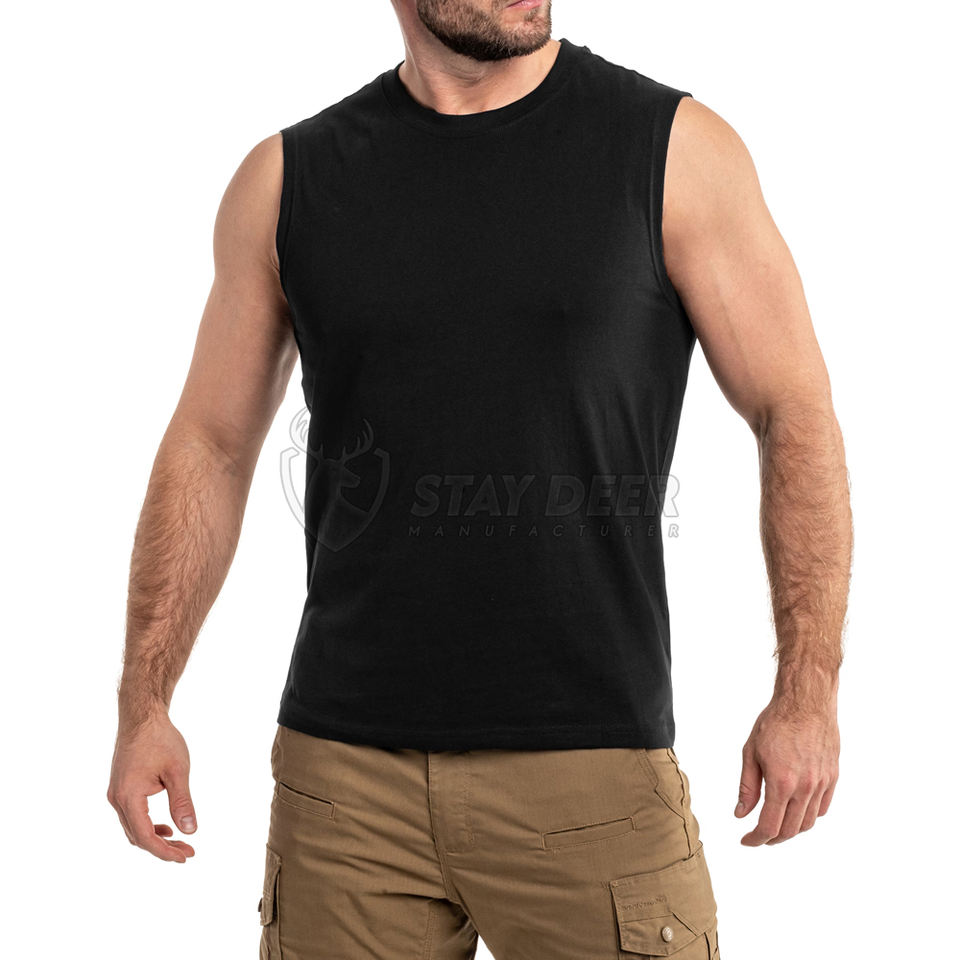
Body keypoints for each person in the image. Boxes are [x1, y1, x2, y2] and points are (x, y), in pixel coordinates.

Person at [107, 2, 851, 957]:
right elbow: (210, 444)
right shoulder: (288, 180)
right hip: (345, 786)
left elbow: (793, 410)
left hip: (592, 773)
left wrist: (807, 692)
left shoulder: (673, 151)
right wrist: (145, 703)